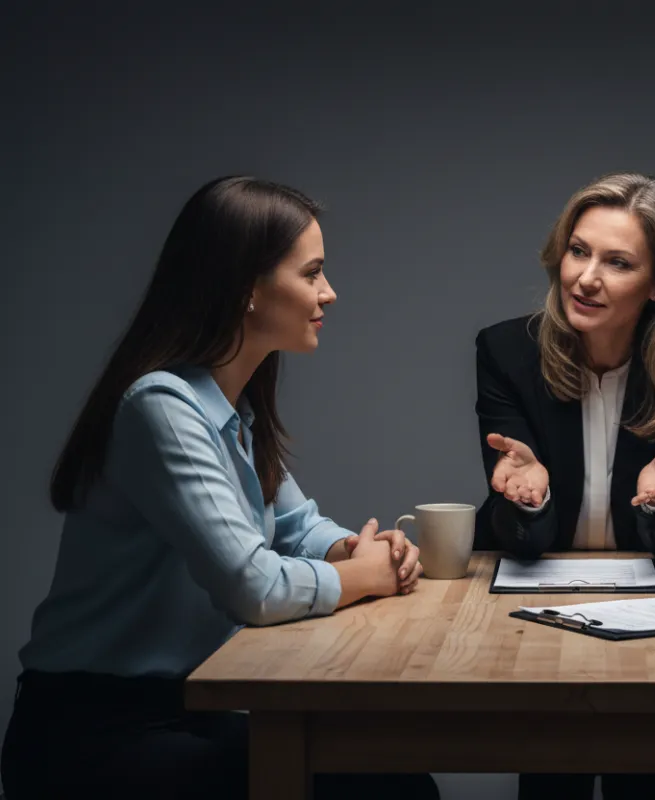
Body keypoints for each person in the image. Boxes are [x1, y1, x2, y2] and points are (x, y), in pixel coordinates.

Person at [1, 176, 438, 799]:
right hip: (91, 733)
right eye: (311, 273)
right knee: (387, 793)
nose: (330, 293)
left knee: (396, 785)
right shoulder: (161, 406)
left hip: (181, 711)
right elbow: (250, 586)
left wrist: (357, 549)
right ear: (246, 291)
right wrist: (368, 576)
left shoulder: (231, 409)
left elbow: (297, 525)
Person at [474, 171, 655, 799]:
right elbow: (518, 537)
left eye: (618, 263)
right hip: (528, 608)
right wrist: (526, 495)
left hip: (652, 612)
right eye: (578, 251)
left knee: (644, 779)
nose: (586, 278)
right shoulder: (506, 350)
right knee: (550, 781)